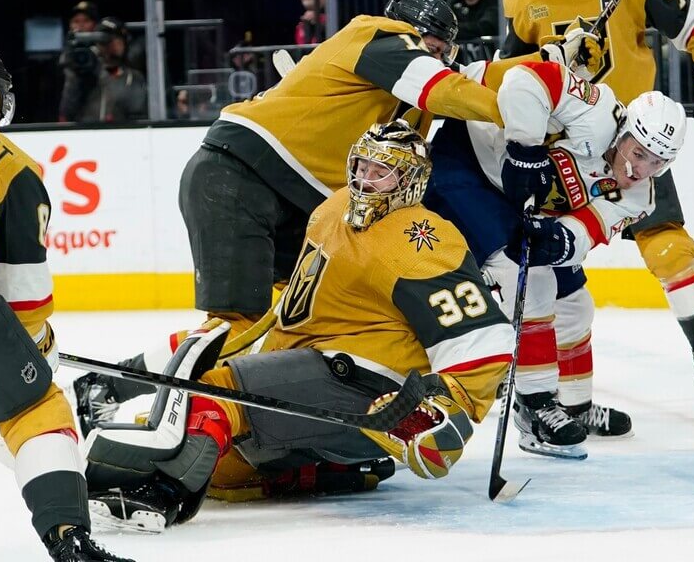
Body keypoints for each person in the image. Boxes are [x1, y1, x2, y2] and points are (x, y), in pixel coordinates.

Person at [72, 0, 524, 435]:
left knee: (288, 316)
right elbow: (445, 88)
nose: (440, 58)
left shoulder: (405, 96)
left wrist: (555, 77)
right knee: (236, 325)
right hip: (239, 175)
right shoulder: (378, 36)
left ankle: (127, 389)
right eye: (434, 48)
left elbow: (466, 91)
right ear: (413, 33)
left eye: (445, 52)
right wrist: (517, 114)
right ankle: (121, 392)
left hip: (297, 204)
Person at [81, 122, 514, 531]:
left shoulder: (420, 240)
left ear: (410, 181)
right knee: (222, 472)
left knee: (215, 396)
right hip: (318, 371)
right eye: (361, 166)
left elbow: (484, 337)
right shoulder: (334, 208)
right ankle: (331, 469)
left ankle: (157, 494)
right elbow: (302, 298)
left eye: (381, 172)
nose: (365, 180)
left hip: (369, 390)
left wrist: (448, 410)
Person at [498, 0, 694, 409]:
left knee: (669, 247)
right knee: (544, 277)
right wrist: (550, 60)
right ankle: (553, 397)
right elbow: (506, 73)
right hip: (559, 151)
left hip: (633, 146)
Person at [425, 48, 687, 457]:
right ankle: (535, 407)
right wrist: (526, 149)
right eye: (638, 153)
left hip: (515, 201)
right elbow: (524, 80)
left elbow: (588, 229)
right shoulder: (596, 110)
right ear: (623, 133)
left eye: (656, 162)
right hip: (468, 164)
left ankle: (574, 405)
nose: (640, 169)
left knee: (576, 304)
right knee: (529, 279)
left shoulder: (640, 196)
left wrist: (559, 238)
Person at [0, 41, 133, 561]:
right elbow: (23, 298)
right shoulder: (7, 161)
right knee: (37, 411)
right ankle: (68, 539)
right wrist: (36, 352)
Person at [73, 17, 148, 123]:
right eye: (103, 40)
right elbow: (69, 109)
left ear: (125, 41)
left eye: (115, 37)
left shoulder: (134, 77)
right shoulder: (86, 75)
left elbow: (137, 111)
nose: (109, 44)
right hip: (87, 132)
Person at [58, 1, 99, 122]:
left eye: (86, 21)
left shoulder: (105, 53)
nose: (80, 26)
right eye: (76, 21)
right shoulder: (63, 56)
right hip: (70, 116)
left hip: (97, 116)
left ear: (95, 24)